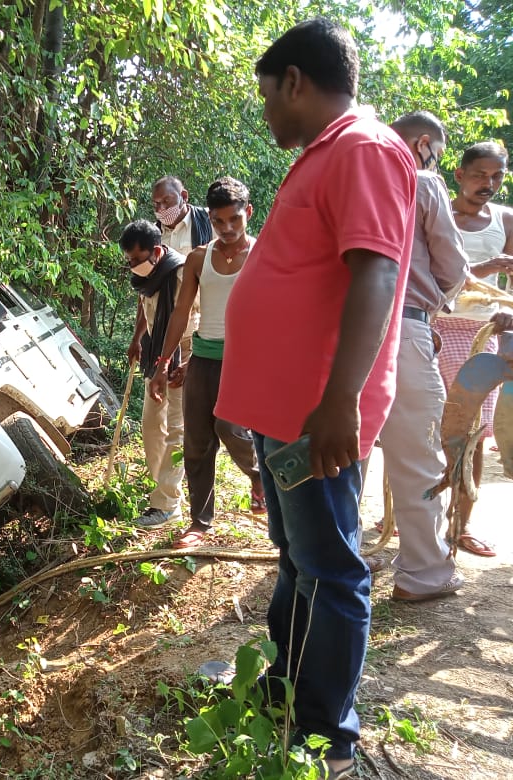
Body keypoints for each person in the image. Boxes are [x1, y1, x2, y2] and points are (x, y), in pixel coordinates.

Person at [214, 19, 415, 778]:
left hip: (314, 412)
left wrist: (342, 402)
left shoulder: (362, 149)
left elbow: (376, 274)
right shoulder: (324, 155)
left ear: (296, 81)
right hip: (286, 412)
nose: (266, 114)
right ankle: (285, 690)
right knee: (298, 560)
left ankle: (326, 734)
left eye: (268, 96)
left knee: (331, 569)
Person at [365, 112, 469, 599]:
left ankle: (335, 565)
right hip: (402, 327)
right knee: (418, 456)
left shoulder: (354, 171)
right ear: (424, 143)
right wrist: (429, 308)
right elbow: (452, 266)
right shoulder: (420, 178)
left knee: (349, 453)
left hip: (345, 329)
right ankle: (424, 573)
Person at [148, 177, 265, 549]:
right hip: (204, 357)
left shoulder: (263, 254)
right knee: (197, 443)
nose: (227, 228)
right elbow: (181, 312)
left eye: (235, 219)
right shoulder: (200, 258)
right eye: (219, 221)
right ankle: (199, 522)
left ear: (248, 213)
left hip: (244, 362)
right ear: (210, 218)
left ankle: (260, 476)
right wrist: (164, 362)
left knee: (230, 426)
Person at [434, 141, 513, 557]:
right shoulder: (436, 212)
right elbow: (433, 274)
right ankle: (410, 517)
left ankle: (462, 525)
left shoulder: (506, 220)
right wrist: (485, 268)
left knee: (475, 434)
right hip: (435, 330)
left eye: (497, 176)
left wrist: (508, 315)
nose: (489, 183)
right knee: (427, 427)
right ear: (459, 175)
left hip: (485, 339)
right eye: (480, 174)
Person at [121, 219, 188, 527]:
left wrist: (181, 361)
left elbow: (189, 316)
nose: (133, 266)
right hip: (155, 354)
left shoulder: (181, 272)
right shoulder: (145, 278)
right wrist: (137, 339)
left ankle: (166, 505)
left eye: (137, 259)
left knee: (176, 429)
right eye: (129, 261)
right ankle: (165, 489)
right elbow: (144, 306)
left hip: (183, 355)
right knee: (150, 426)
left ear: (157, 252)